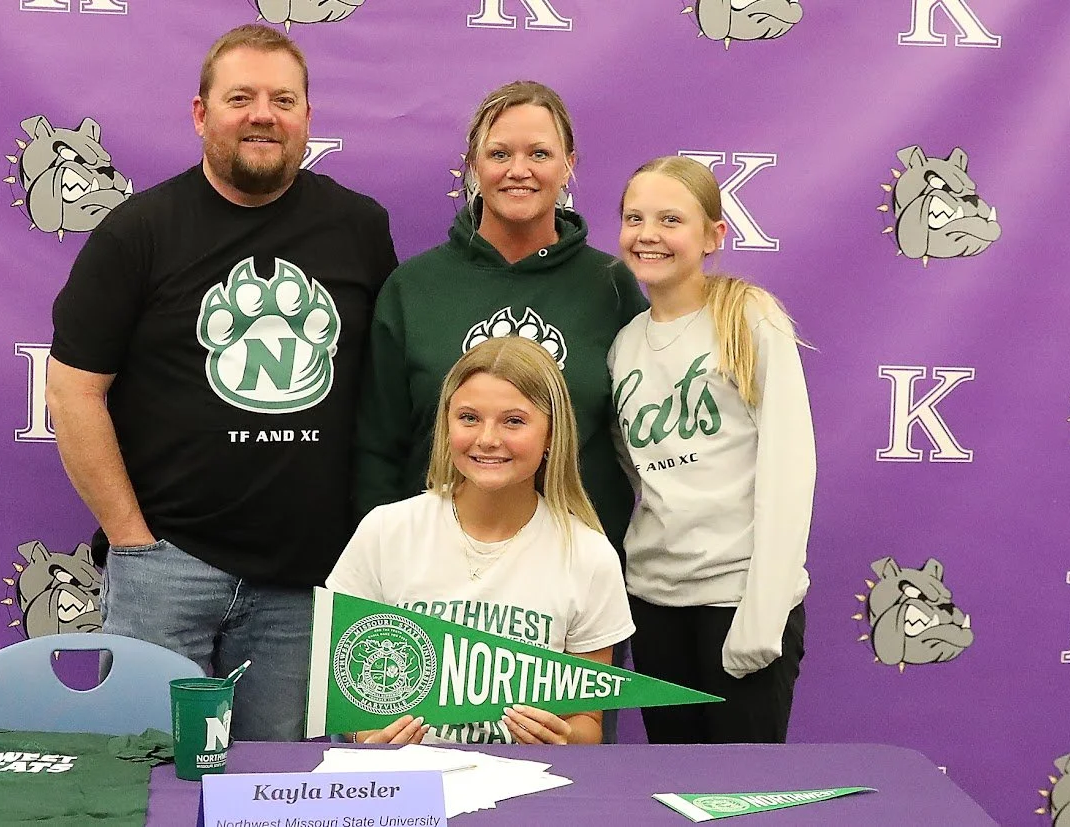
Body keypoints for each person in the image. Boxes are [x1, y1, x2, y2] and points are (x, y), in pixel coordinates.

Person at [45, 24, 397, 742]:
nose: (263, 115)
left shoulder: (359, 227)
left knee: (281, 785)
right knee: (147, 773)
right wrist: (133, 541)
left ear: (307, 116)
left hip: (306, 578)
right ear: (201, 113)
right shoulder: (136, 233)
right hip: (167, 565)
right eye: (241, 98)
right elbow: (72, 390)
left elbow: (385, 389)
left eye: (283, 100)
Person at [353, 80, 646, 556]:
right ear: (473, 165)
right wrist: (383, 558)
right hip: (435, 569)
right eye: (499, 154)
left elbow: (644, 446)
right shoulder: (414, 288)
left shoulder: (611, 287)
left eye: (539, 154)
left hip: (572, 569)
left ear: (569, 165)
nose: (519, 170)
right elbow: (377, 450)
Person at [328, 337, 634, 745]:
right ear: (446, 425)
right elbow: (346, 705)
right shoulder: (385, 532)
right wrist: (371, 737)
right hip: (406, 783)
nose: (487, 439)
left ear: (551, 434)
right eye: (469, 418)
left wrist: (563, 742)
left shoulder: (589, 556)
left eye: (514, 421)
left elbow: (587, 722)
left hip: (528, 781)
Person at [608, 156, 815, 745]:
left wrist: (765, 608)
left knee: (743, 787)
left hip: (737, 597)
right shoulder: (625, 344)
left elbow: (789, 466)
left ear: (712, 235)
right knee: (675, 780)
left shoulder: (749, 318)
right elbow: (639, 475)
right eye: (634, 218)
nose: (648, 234)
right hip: (654, 601)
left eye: (670, 219)